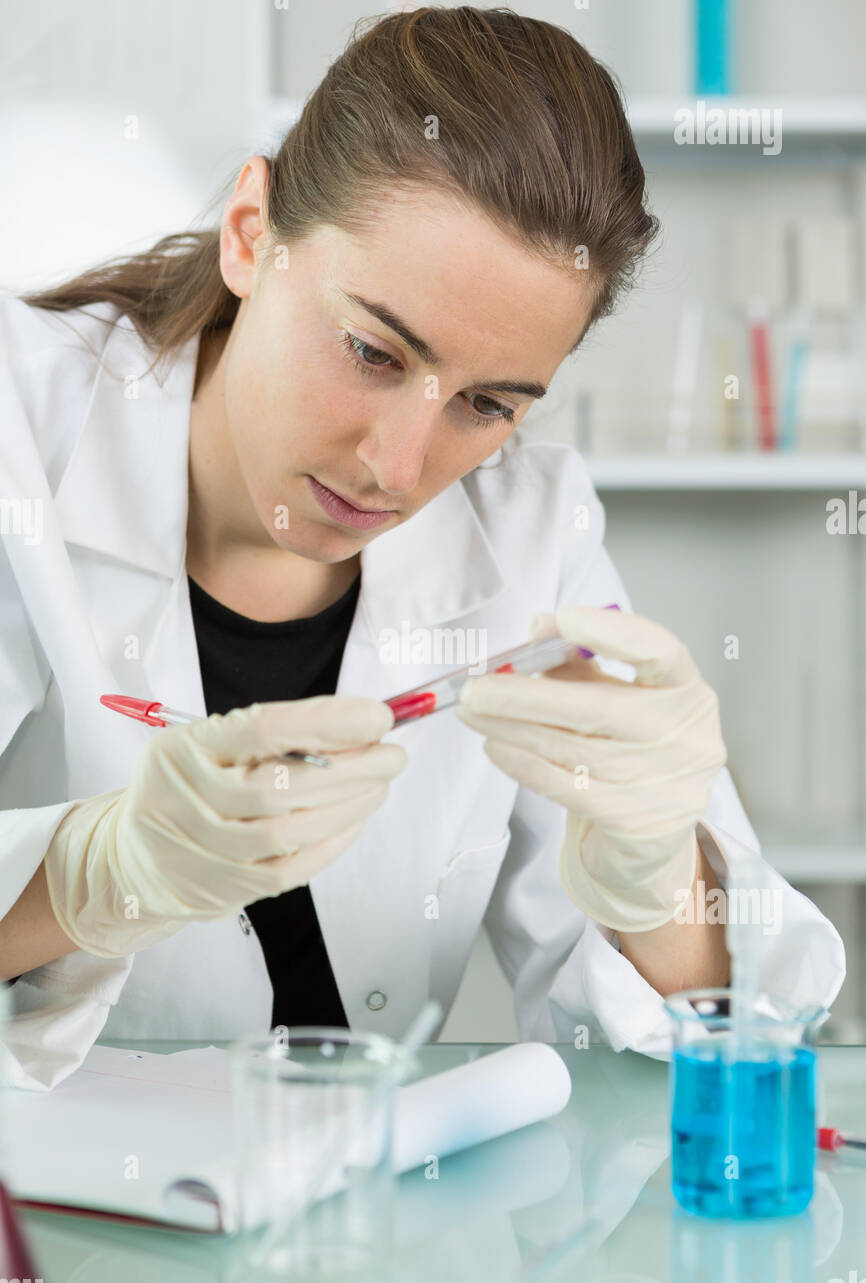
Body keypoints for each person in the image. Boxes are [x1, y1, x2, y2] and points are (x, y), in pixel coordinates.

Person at [0, 7, 844, 1089]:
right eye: (371, 350)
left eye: (487, 403)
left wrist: (659, 875)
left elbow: (730, 1033)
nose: (396, 468)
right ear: (252, 231)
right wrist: (92, 876)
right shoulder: (24, 430)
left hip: (366, 1218)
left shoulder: (528, 530)